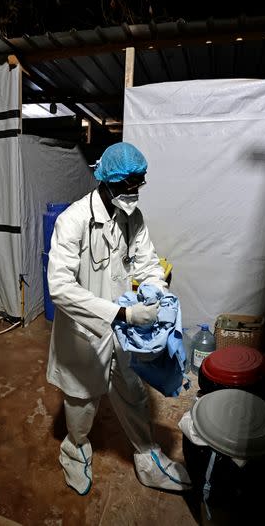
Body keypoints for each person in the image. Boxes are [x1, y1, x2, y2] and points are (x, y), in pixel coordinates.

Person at [47, 141, 191, 494]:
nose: (133, 193)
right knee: (81, 402)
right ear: (107, 182)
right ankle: (75, 449)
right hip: (85, 332)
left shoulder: (133, 217)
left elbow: (147, 263)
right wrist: (122, 312)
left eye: (137, 185)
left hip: (124, 331)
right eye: (127, 186)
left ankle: (146, 455)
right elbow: (60, 287)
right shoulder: (73, 221)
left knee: (133, 392)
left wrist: (158, 293)